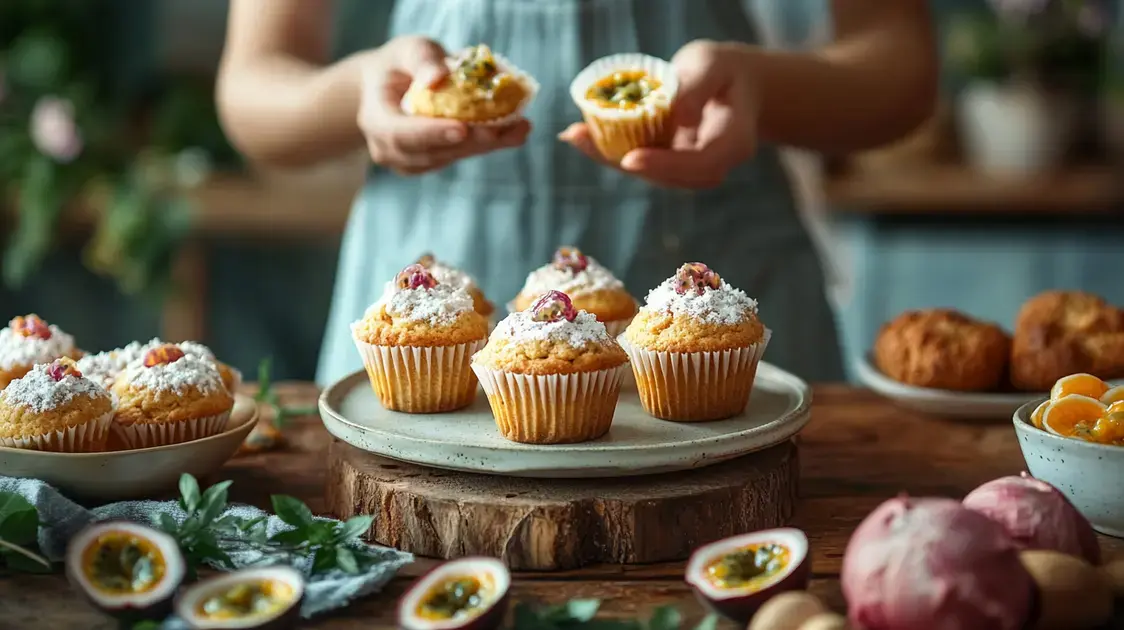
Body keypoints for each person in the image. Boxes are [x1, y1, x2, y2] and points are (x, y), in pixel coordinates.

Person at [216, 0, 937, 386]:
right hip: (429, 300)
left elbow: (900, 68)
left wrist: (761, 91)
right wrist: (360, 93)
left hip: (719, 271)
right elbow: (253, 88)